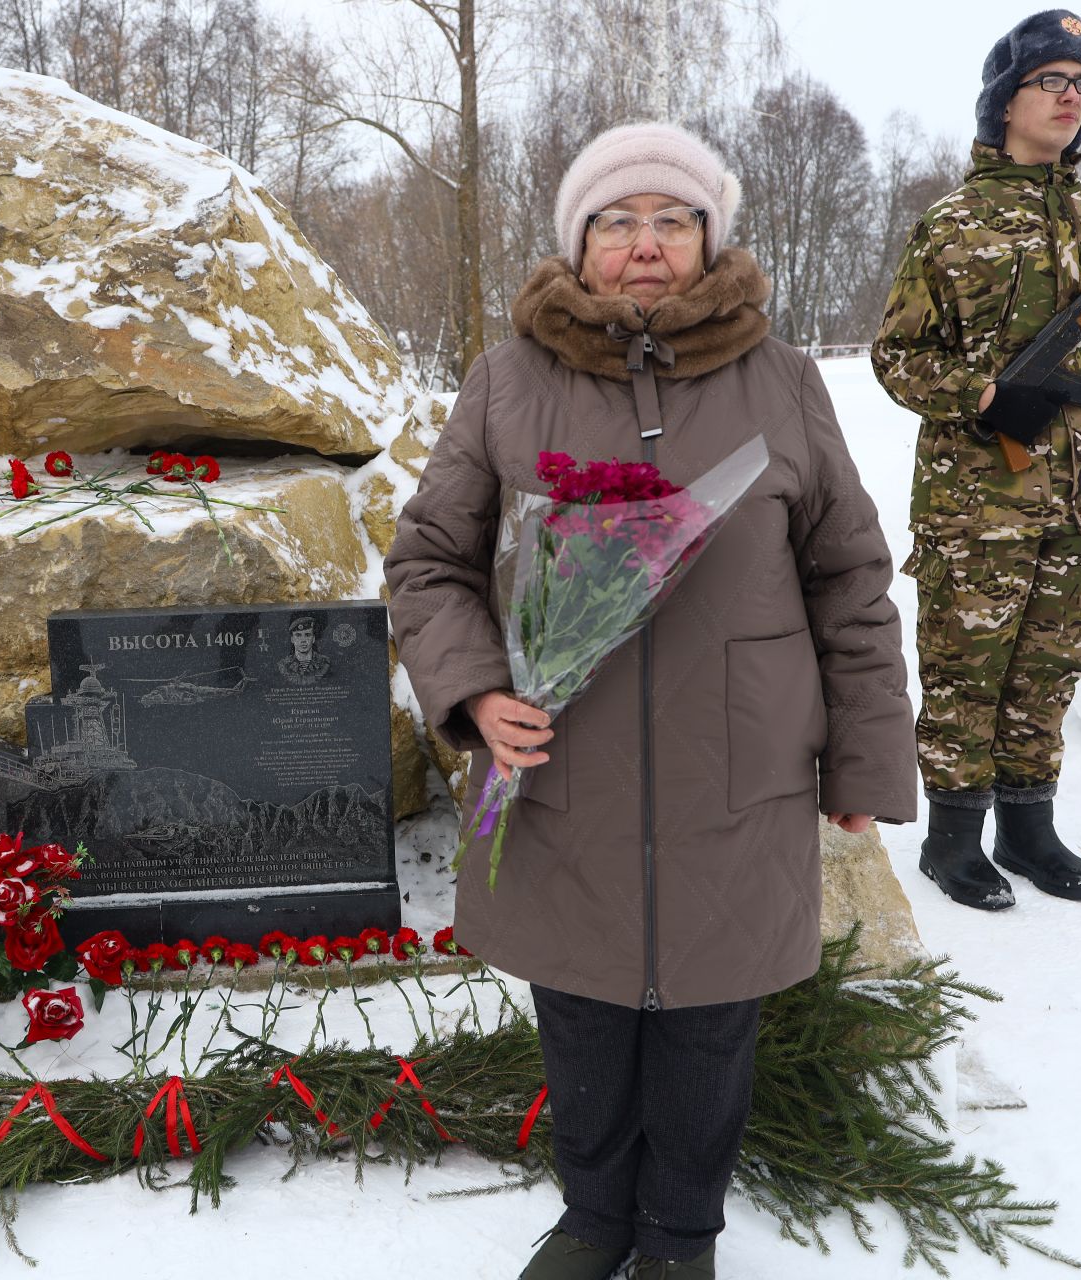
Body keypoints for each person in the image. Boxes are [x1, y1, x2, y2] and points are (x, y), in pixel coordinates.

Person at [384, 122, 916, 1279]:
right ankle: (593, 1217)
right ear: (579, 246)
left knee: (712, 1015)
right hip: (564, 768)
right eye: (617, 222)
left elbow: (850, 574)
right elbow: (429, 559)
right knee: (579, 1002)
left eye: (672, 220)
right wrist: (473, 688)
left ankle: (682, 1231)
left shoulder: (779, 379)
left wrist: (869, 757)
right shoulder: (507, 380)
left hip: (742, 767)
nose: (645, 245)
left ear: (708, 239)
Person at [871, 9, 1081, 911]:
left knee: (1052, 665)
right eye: (1053, 81)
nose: (1071, 99)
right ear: (1007, 99)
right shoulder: (951, 223)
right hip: (982, 498)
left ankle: (1030, 829)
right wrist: (986, 398)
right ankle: (954, 839)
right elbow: (896, 357)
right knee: (971, 669)